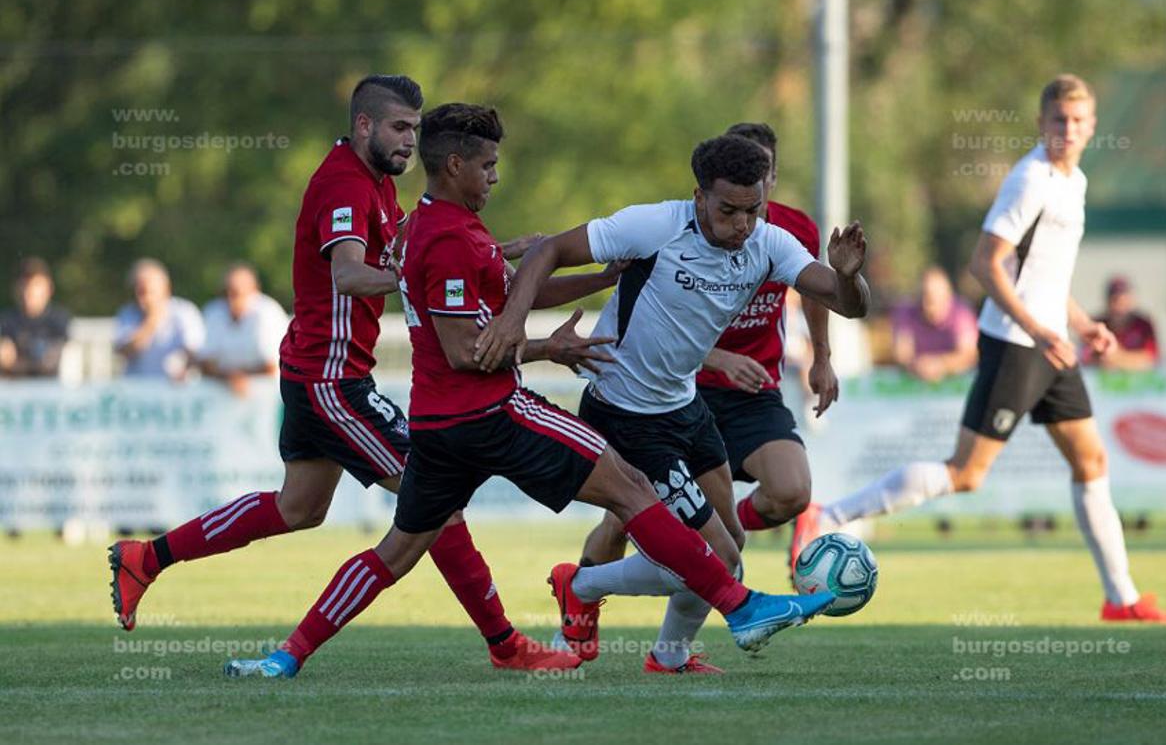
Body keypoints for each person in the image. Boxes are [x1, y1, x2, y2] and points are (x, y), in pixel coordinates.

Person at [223, 105, 837, 679]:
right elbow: (470, 351)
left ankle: (286, 657)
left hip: (437, 426)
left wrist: (598, 278)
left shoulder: (432, 228)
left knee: (396, 552)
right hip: (493, 413)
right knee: (630, 488)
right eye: (487, 164)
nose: (495, 175)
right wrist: (551, 349)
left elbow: (514, 296)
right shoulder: (450, 241)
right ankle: (739, 604)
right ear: (456, 165)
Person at [108, 76, 604, 673]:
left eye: (415, 130)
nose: (408, 142)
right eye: (399, 128)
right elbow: (349, 274)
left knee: (299, 508)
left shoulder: (376, 184)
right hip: (332, 381)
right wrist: (426, 273)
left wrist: (489, 254)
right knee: (437, 503)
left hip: (316, 374)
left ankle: (148, 556)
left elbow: (417, 254)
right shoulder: (344, 185)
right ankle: (506, 645)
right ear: (364, 125)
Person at [472, 133, 870, 673]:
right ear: (699, 196)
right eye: (727, 210)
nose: (741, 225)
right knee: (720, 559)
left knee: (731, 543)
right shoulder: (654, 225)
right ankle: (582, 583)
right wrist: (513, 319)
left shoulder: (769, 242)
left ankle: (667, 654)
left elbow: (848, 305)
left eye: (752, 210)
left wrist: (848, 277)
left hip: (684, 406)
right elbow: (550, 250)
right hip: (625, 413)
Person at [803, 74, 1166, 623]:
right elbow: (985, 264)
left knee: (1092, 460)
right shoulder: (1029, 180)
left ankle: (1121, 599)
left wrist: (1080, 324)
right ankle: (830, 513)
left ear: (1093, 126)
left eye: (1079, 122)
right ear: (1041, 122)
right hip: (1016, 343)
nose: (1069, 130)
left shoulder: (1071, 181)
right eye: (1059, 120)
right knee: (966, 474)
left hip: (1050, 344)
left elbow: (1046, 277)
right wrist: (1042, 328)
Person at [684, 123, 837, 573]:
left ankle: (721, 531)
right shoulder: (685, 233)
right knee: (626, 519)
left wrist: (822, 359)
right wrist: (716, 358)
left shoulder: (792, 231)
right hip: (685, 392)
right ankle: (579, 601)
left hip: (754, 392)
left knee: (791, 493)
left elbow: (818, 291)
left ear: (770, 178)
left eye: (763, 172)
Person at [199, 263, 288, 396]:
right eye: (226, 292)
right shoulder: (214, 312)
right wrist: (231, 378)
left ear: (254, 290)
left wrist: (238, 377)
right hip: (225, 399)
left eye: (235, 292)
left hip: (270, 399)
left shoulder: (267, 314)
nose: (230, 298)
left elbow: (273, 366)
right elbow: (205, 365)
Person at [113, 258, 204, 380]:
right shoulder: (128, 313)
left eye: (146, 292)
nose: (141, 299)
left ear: (166, 289)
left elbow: (195, 350)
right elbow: (123, 351)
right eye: (138, 291)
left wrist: (185, 368)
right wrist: (151, 321)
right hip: (137, 390)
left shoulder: (185, 312)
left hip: (176, 390)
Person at [890, 265, 979, 382]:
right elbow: (902, 355)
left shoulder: (962, 313)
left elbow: (969, 355)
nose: (926, 304)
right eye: (922, 296)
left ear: (948, 297)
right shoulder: (905, 312)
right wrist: (919, 366)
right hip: (915, 383)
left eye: (932, 298)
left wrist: (941, 364)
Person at [0, 257, 71, 378]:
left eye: (35, 286)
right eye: (25, 286)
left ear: (48, 289)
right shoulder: (6, 321)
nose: (29, 292)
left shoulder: (58, 320)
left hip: (50, 390)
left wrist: (14, 364)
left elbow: (49, 364)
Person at [1083, 275, 1157, 369]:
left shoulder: (1143, 325)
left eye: (1124, 300)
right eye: (1115, 300)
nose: (1120, 305)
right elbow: (1087, 358)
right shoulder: (1097, 324)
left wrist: (1115, 357)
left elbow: (1149, 359)